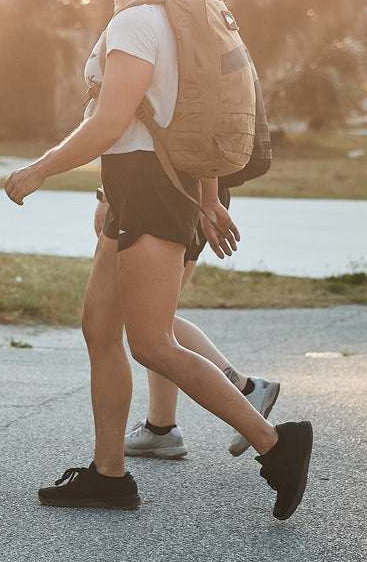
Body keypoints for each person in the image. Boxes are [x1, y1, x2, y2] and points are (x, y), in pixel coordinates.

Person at [3, 0, 313, 520]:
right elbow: (160, 120)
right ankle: (108, 473)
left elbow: (110, 122)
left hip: (149, 191)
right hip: (137, 187)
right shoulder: (150, 19)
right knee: (100, 327)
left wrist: (39, 168)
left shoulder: (137, 24)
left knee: (150, 342)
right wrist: (109, 193)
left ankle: (276, 444)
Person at [109, 182, 281, 460]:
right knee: (153, 319)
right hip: (184, 194)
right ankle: (161, 428)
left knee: (146, 320)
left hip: (171, 195)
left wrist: (106, 195)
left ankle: (245, 388)